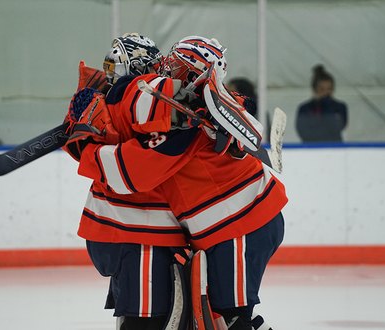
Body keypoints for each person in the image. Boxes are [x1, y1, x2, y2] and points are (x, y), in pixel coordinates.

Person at [64, 35, 287, 330]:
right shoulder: (172, 105)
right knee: (217, 320)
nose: (166, 67)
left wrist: (87, 148)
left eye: (176, 63)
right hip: (209, 227)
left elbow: (131, 173)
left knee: (227, 322)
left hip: (235, 225)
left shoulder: (165, 106)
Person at [296, 64, 348, 142]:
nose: (326, 93)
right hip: (311, 148)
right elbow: (303, 132)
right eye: (322, 89)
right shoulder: (305, 108)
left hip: (334, 147)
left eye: (329, 89)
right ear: (315, 89)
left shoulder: (340, 107)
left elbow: (338, 127)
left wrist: (327, 106)